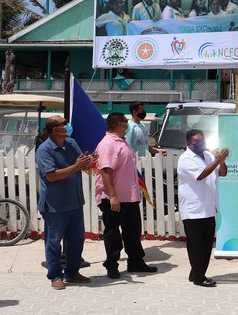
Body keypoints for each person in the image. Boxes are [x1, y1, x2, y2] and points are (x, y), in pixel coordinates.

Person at [95, 112, 158, 279]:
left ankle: (136, 261)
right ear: (119, 124)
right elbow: (106, 171)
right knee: (113, 234)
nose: (127, 125)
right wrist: (113, 196)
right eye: (125, 122)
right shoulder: (108, 143)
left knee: (132, 232)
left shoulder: (122, 142)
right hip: (114, 198)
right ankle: (112, 265)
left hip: (129, 196)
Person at [35, 116, 95, 290]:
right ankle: (55, 275)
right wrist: (76, 166)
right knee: (54, 242)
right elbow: (52, 176)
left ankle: (72, 271)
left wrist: (87, 162)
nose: (67, 126)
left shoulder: (71, 143)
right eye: (63, 124)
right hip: (55, 205)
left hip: (74, 201)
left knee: (77, 239)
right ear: (55, 130)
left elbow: (81, 166)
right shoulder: (44, 150)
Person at [177, 129, 228, 288]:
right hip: (193, 210)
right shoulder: (185, 159)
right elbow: (200, 175)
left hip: (209, 208)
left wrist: (221, 160)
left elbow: (223, 173)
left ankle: (196, 272)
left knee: (206, 245)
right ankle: (199, 276)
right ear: (189, 144)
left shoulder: (208, 156)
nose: (201, 144)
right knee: (196, 246)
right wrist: (217, 160)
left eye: (202, 141)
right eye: (197, 142)